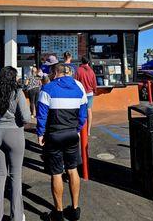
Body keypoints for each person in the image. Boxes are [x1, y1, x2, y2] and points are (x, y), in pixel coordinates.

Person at [36, 63, 87, 221]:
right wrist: (77, 130)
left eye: (51, 73)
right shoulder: (79, 89)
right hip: (72, 134)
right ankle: (75, 209)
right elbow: (83, 116)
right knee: (72, 170)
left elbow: (41, 114)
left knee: (56, 173)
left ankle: (58, 213)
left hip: (54, 135)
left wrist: (40, 133)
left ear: (55, 72)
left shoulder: (47, 89)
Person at [0, 66, 31, 221]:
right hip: (15, 135)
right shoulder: (18, 92)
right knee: (15, 177)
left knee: (0, 175)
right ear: (13, 78)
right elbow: (26, 118)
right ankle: (16, 216)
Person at [75, 56, 97, 136]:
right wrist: (94, 91)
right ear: (88, 62)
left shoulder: (78, 70)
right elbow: (94, 83)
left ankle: (79, 130)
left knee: (79, 111)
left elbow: (76, 82)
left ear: (81, 61)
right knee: (89, 111)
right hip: (90, 93)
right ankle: (88, 130)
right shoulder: (91, 71)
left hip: (81, 93)